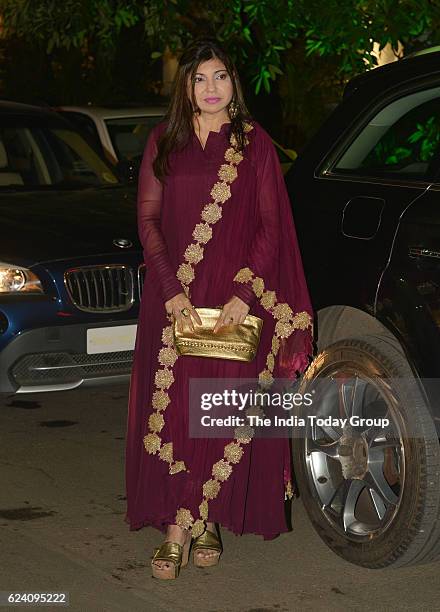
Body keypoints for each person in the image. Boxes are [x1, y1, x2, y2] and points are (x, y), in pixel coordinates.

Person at [125, 37, 313, 580]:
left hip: (233, 301)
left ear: (235, 82)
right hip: (174, 304)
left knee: (216, 409)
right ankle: (181, 525)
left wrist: (243, 295)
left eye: (221, 77)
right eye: (199, 78)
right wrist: (172, 291)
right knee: (180, 409)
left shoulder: (254, 145)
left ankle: (195, 522)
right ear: (185, 86)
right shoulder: (165, 140)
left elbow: (271, 227)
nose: (211, 89)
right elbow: (148, 222)